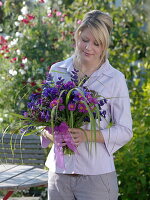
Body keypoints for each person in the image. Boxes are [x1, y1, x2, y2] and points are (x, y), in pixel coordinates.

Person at [41, 10, 133, 200]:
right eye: (85, 39)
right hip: (59, 177)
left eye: (96, 43)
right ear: (77, 36)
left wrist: (86, 135)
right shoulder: (57, 71)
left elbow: (125, 130)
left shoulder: (114, 79)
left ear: (104, 46)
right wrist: (53, 134)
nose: (88, 47)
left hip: (97, 179)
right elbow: (40, 121)